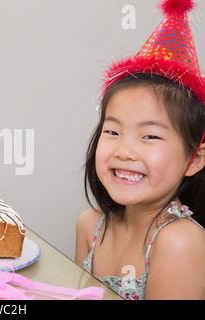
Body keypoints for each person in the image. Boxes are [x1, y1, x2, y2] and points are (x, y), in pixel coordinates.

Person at [76, 0, 205, 300]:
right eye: (112, 131)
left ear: (195, 159)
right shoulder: (90, 226)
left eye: (149, 136)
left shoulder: (180, 242)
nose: (125, 150)